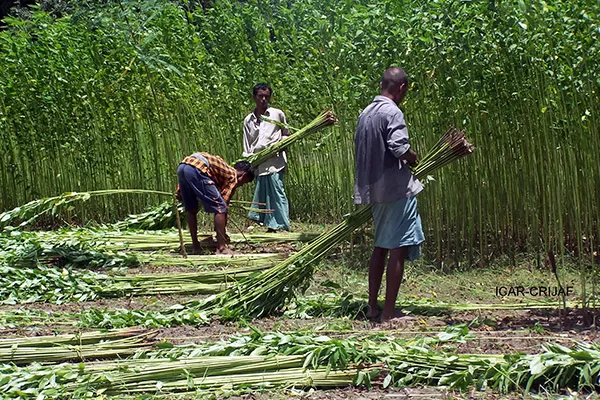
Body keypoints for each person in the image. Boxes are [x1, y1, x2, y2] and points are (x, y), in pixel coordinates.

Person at [354, 67, 424, 321]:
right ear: (402, 88)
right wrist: (412, 156)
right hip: (395, 190)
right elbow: (398, 146)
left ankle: (373, 306)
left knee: (380, 247)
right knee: (398, 248)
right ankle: (389, 313)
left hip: (374, 189)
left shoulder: (365, 113)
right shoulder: (392, 112)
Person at [177, 152, 254, 255]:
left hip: (183, 166)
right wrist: (222, 235)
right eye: (244, 183)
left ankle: (196, 246)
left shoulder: (222, 170)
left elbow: (189, 169)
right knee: (220, 208)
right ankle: (221, 248)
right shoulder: (233, 176)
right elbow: (222, 207)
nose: (240, 185)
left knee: (191, 209)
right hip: (197, 168)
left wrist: (180, 191)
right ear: (243, 176)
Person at [242, 83, 291, 232]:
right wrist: (249, 161)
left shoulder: (277, 114)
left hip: (275, 161)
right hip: (259, 162)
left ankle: (282, 225)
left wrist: (282, 144)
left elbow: (286, 133)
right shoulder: (248, 120)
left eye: (266, 97)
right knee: (264, 194)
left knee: (277, 191)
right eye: (260, 96)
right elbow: (247, 144)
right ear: (254, 97)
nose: (263, 99)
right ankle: (269, 225)